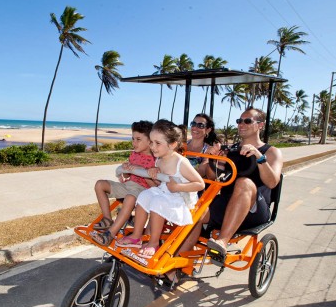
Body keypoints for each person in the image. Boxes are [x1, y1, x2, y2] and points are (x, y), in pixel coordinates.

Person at [115, 119, 205, 259]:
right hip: (165, 191)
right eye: (151, 142)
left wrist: (178, 186)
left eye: (158, 143)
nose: (153, 147)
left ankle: (153, 242)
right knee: (144, 195)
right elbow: (160, 182)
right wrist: (154, 173)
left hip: (180, 198)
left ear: (172, 145)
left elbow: (200, 184)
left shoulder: (181, 162)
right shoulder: (159, 159)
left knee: (157, 201)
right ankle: (137, 235)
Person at [203, 107, 283, 258]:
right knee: (194, 210)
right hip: (228, 204)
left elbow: (272, 183)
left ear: (260, 125)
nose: (241, 124)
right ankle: (172, 266)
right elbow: (213, 178)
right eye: (239, 121)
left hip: (255, 211)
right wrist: (216, 160)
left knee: (244, 183)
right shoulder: (232, 149)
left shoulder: (271, 152)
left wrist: (259, 157)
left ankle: (222, 242)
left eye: (247, 121)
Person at [91, 120, 156, 246]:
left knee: (130, 198)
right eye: (133, 139)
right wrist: (126, 169)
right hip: (128, 185)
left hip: (143, 190)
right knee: (100, 184)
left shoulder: (155, 159)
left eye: (138, 139)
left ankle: (111, 233)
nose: (134, 143)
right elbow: (127, 175)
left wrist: (142, 170)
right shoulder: (134, 155)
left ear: (149, 141)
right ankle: (107, 219)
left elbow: (155, 185)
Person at [186, 113, 221, 178]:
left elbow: (201, 172)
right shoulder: (181, 145)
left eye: (200, 125)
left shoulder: (208, 150)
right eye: (193, 124)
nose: (195, 128)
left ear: (208, 130)